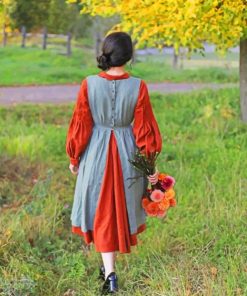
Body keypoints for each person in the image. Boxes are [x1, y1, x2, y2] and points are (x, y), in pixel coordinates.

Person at [65, 31, 162, 294]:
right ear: (129, 57)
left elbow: (82, 123)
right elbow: (145, 129)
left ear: (107, 53)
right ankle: (109, 272)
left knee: (102, 210)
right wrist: (149, 165)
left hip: (95, 153)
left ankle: (110, 275)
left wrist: (75, 157)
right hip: (126, 154)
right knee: (115, 210)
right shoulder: (139, 86)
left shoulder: (89, 84)